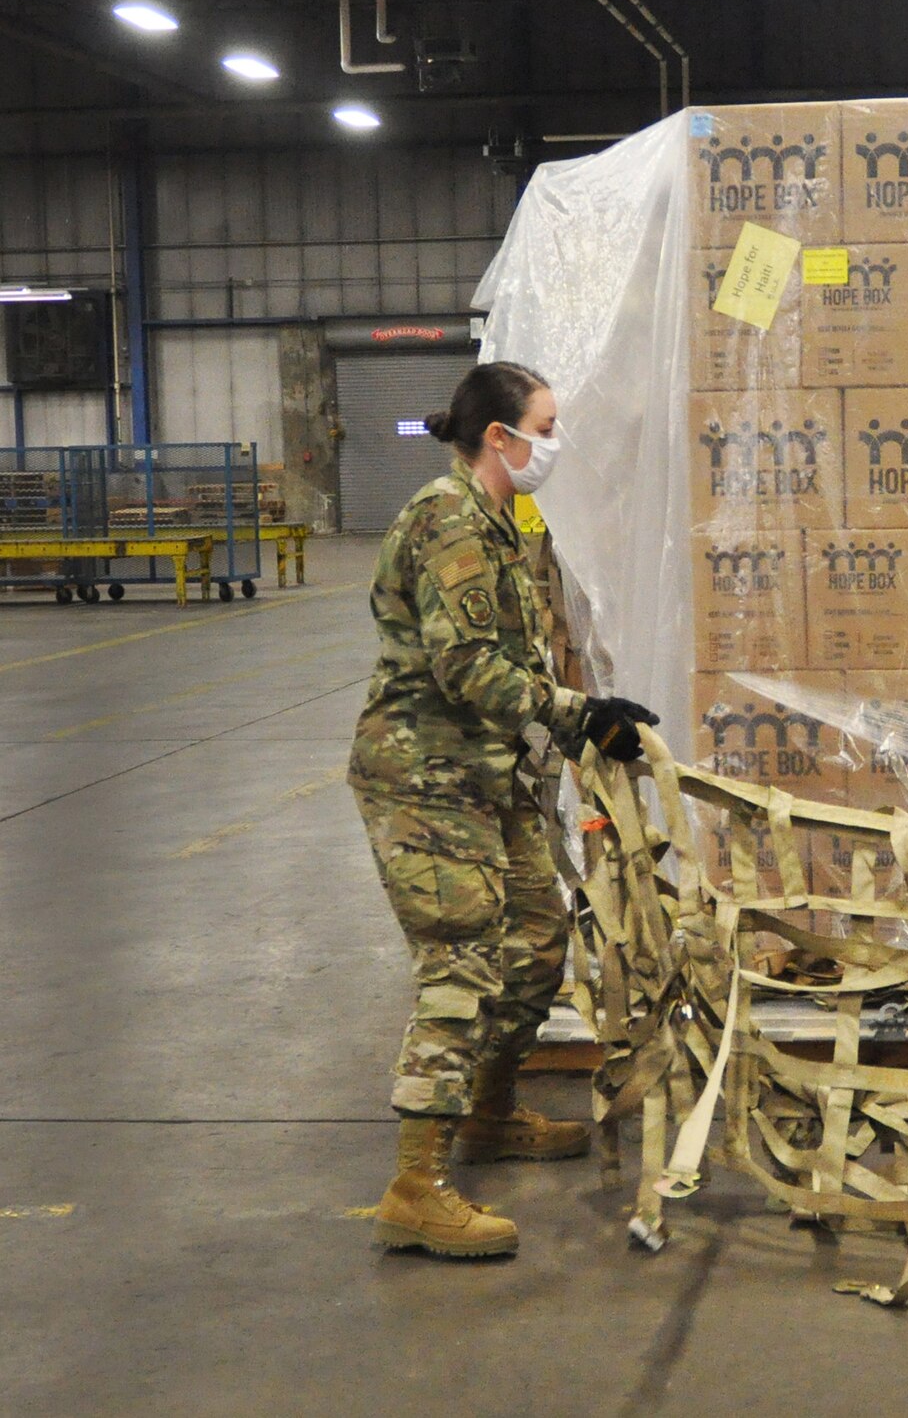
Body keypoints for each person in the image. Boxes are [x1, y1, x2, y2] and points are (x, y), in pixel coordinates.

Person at [349, 361, 658, 1259]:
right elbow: (469, 668)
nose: (552, 443)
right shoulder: (449, 521)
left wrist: (580, 725)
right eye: (546, 425)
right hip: (425, 780)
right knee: (463, 962)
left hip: (487, 774)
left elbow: (512, 663)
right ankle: (415, 1185)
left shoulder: (498, 523)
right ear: (500, 436)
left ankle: (486, 1113)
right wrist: (575, 713)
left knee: (535, 940)